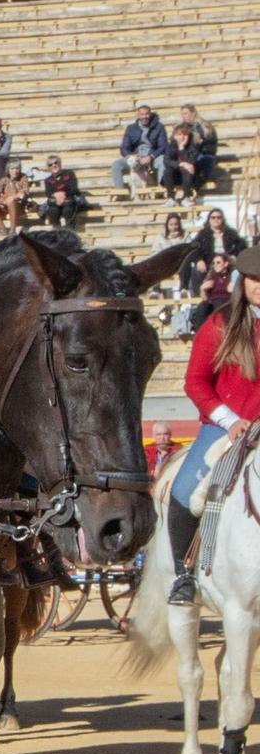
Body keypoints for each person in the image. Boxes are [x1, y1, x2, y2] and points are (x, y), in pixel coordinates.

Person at [166, 248, 260, 605]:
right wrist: (230, 420)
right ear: (242, 282)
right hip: (225, 428)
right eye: (254, 279)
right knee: (187, 490)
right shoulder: (219, 325)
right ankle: (183, 575)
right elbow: (195, 382)